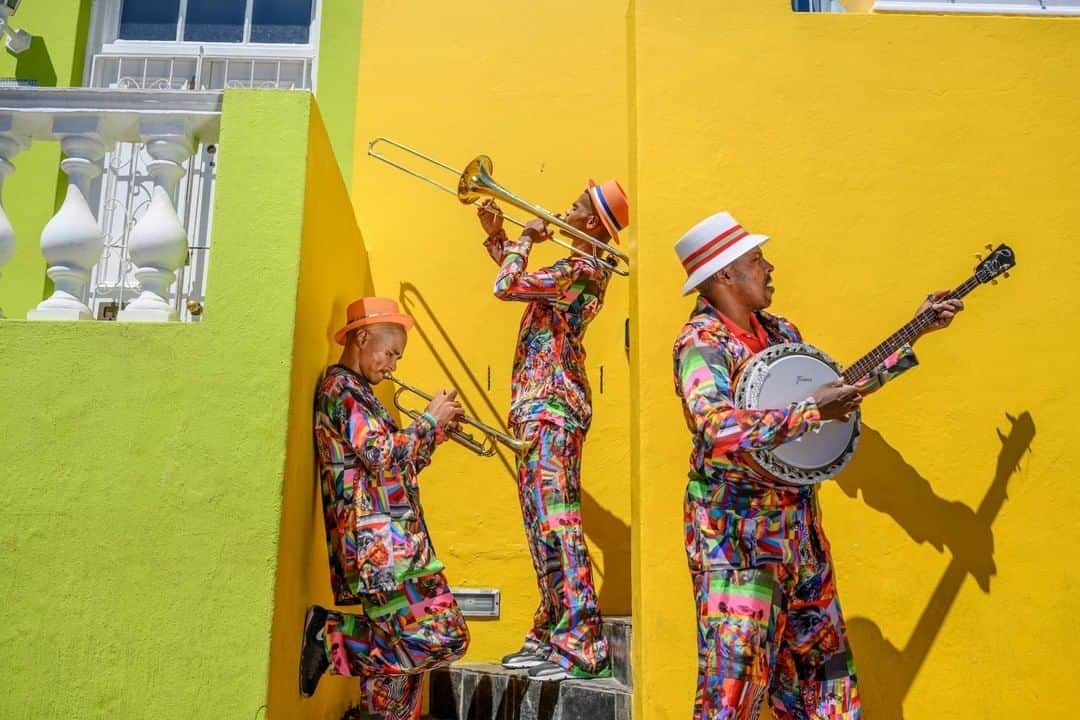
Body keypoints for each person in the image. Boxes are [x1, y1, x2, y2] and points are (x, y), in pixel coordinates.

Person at [671, 212, 963, 719]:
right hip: (736, 544)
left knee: (824, 683)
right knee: (734, 689)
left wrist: (914, 335)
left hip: (801, 536)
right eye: (756, 260)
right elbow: (716, 426)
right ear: (724, 276)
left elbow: (835, 396)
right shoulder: (701, 343)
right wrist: (810, 412)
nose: (770, 267)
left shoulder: (781, 332)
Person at [475, 178, 629, 681]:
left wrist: (522, 241)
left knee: (558, 526)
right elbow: (523, 285)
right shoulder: (570, 269)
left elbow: (508, 287)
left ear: (590, 222)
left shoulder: (583, 269)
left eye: (575, 205)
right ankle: (551, 631)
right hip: (535, 407)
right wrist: (500, 241)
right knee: (541, 528)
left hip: (553, 407)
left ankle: (582, 643)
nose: (565, 208)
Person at [299, 297, 470, 719]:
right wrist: (427, 420)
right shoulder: (342, 388)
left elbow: (394, 468)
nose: (394, 364)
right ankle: (330, 637)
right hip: (382, 547)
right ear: (362, 337)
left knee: (397, 683)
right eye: (391, 352)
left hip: (393, 542)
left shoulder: (361, 393)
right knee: (445, 638)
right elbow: (380, 454)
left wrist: (435, 435)